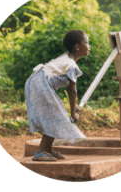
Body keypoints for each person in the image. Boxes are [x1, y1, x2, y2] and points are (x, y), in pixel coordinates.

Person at [24, 30, 90, 161]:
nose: (89, 46)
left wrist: (74, 107)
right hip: (40, 84)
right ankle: (40, 152)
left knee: (54, 115)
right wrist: (73, 113)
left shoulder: (65, 58)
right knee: (55, 116)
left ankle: (47, 150)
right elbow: (72, 91)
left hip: (36, 81)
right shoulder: (71, 65)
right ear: (77, 47)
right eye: (87, 43)